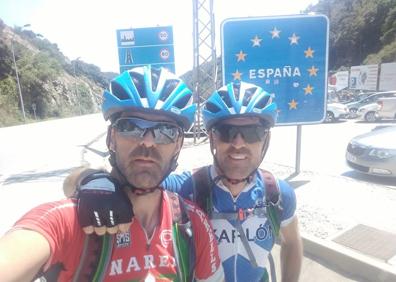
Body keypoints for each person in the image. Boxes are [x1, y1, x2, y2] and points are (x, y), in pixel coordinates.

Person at [0, 66, 224, 282]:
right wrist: (89, 178)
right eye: (130, 127)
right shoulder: (68, 219)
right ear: (111, 138)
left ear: (178, 145)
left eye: (165, 131)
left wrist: (85, 176)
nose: (147, 142)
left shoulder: (192, 223)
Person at [70, 81, 303, 282]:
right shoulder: (187, 187)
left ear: (266, 139)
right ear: (211, 137)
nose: (239, 143)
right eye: (226, 132)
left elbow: (292, 243)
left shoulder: (277, 194)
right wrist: (94, 180)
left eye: (252, 132)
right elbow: (79, 184)